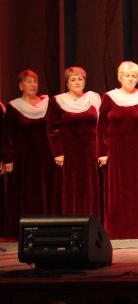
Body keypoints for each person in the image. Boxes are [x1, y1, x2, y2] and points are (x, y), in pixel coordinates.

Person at [98, 61, 138, 239]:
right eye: (127, 75)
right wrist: (103, 153)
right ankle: (118, 230)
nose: (130, 79)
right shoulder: (109, 97)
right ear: (119, 77)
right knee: (119, 191)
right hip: (116, 152)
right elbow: (101, 127)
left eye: (134, 76)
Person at [2, 70, 58, 236]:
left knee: (45, 191)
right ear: (21, 86)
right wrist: (7, 159)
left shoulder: (47, 103)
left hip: (45, 157)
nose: (33, 85)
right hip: (23, 159)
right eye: (28, 81)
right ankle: (24, 229)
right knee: (26, 193)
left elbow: (55, 128)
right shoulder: (14, 107)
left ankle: (47, 227)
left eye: (35, 81)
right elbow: (6, 135)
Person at [47, 67, 102, 217]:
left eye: (80, 79)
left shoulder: (93, 98)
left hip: (90, 152)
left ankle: (91, 220)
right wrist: (58, 152)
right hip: (68, 153)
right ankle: (71, 220)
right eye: (73, 79)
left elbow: (101, 126)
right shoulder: (58, 101)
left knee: (89, 187)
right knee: (70, 186)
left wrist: (101, 151)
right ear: (67, 83)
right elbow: (51, 129)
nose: (77, 82)